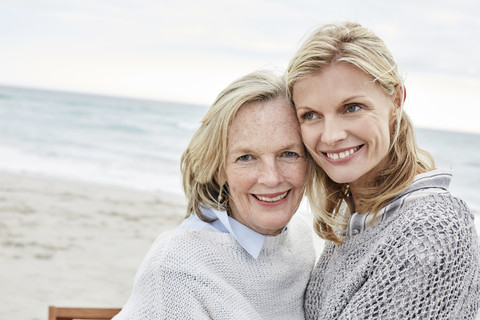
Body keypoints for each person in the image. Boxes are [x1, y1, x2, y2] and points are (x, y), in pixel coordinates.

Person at [286, 21, 480, 319]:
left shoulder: (430, 230)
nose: (331, 135)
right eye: (310, 115)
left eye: (351, 107)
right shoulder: (360, 216)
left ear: (396, 101)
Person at [113, 70, 316, 319]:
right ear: (219, 170)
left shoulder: (302, 239)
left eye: (288, 154)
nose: (271, 177)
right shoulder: (175, 267)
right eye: (246, 158)